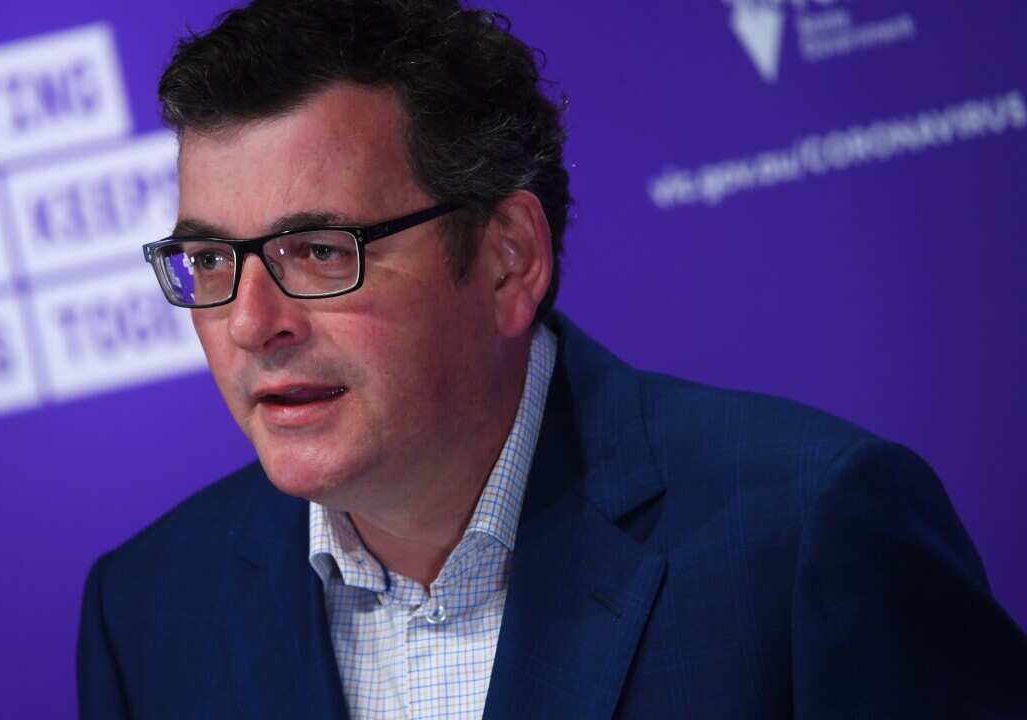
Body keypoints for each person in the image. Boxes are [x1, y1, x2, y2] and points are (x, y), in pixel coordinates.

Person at [76, 1, 1027, 717]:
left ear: (508, 260)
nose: (251, 323)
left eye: (319, 251)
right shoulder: (148, 613)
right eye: (210, 261)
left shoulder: (809, 533)